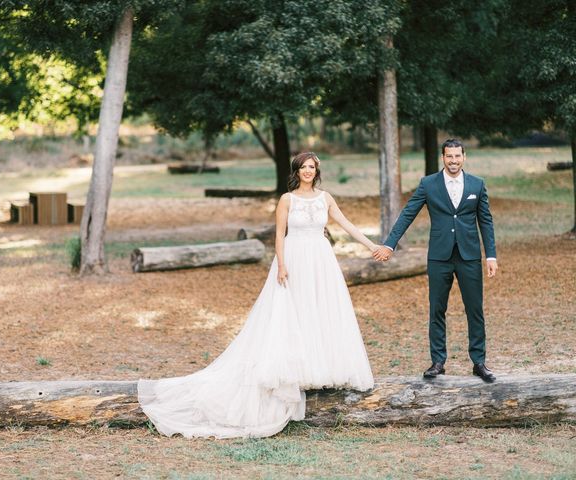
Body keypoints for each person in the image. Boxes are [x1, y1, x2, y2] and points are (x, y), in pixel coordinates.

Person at [138, 151, 378, 438]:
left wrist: (372, 246)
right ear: (296, 171)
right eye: (303, 167)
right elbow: (279, 234)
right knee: (294, 313)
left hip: (321, 261)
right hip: (294, 258)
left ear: (317, 170)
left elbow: (347, 225)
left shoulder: (325, 198)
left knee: (320, 310)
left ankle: (320, 369)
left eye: (312, 167)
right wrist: (281, 264)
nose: (308, 171)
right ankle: (294, 372)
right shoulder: (287, 200)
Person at [373, 139, 498, 382]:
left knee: (475, 309)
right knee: (437, 309)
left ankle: (479, 362)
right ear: (443, 157)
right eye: (449, 156)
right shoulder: (428, 184)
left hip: (469, 256)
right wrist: (390, 244)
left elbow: (486, 221)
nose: (453, 161)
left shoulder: (477, 184)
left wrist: (490, 255)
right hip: (439, 257)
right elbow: (408, 213)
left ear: (464, 156)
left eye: (457, 156)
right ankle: (438, 361)